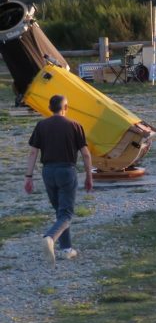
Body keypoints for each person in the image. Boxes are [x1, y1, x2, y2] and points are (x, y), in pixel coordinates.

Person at [24, 94, 94, 266]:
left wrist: (28, 176)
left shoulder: (41, 125)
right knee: (67, 214)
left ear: (50, 108)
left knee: (60, 212)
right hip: (66, 171)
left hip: (48, 172)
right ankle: (50, 237)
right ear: (66, 108)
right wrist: (89, 176)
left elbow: (33, 152)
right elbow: (85, 154)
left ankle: (67, 249)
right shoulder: (75, 125)